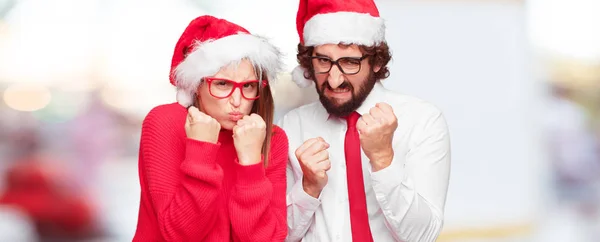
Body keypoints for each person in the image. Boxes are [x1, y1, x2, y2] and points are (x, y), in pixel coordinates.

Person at [279, 0, 451, 241]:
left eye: (350, 62)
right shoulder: (292, 125)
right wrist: (308, 188)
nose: (335, 79)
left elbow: (423, 236)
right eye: (323, 61)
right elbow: (280, 235)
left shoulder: (422, 121)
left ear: (377, 61)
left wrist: (383, 159)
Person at [133, 15, 288, 241]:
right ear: (197, 86)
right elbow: (180, 234)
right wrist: (201, 149)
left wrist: (251, 162)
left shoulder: (269, 137)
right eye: (222, 84)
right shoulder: (165, 121)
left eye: (248, 86)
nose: (237, 100)